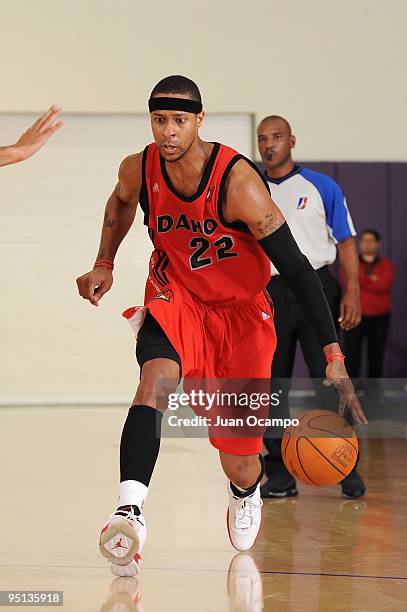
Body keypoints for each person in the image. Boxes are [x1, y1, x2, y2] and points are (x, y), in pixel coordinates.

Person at [76, 76, 366, 577]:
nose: (168, 132)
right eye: (160, 120)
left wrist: (332, 352)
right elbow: (121, 204)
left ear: (199, 121)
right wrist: (105, 260)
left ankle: (244, 490)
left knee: (241, 459)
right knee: (155, 381)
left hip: (240, 317)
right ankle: (129, 511)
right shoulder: (138, 167)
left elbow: (296, 269)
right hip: (177, 297)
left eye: (179, 121)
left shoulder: (238, 182)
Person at [257, 115, 366, 500]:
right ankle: (280, 474)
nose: (269, 145)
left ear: (292, 141)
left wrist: (351, 290)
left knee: (332, 380)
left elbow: (347, 240)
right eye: (262, 139)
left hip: (317, 286)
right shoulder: (248, 185)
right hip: (268, 292)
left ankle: (346, 466)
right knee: (272, 389)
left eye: (277, 137)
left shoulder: (323, 186)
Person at [343, 229, 395, 383]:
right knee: (352, 356)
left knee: (376, 356)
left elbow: (384, 285)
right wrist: (371, 279)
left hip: (380, 317)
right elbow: (348, 280)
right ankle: (352, 392)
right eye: (364, 240)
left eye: (370, 240)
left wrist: (361, 280)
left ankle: (374, 393)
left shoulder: (386, 264)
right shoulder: (351, 263)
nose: (366, 244)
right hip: (355, 316)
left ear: (377, 244)